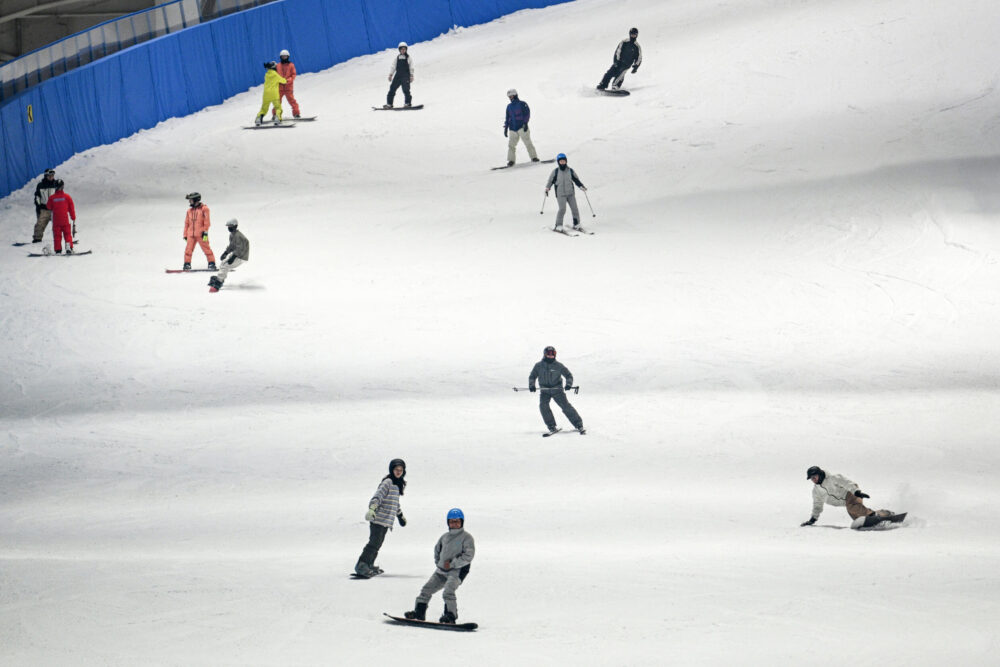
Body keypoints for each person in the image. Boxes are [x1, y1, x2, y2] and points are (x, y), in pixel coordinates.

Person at [403, 508, 475, 624]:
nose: (454, 524)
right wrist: (439, 563)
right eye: (452, 521)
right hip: (441, 571)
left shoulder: (467, 538)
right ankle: (419, 613)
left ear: (462, 522)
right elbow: (437, 551)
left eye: (457, 521)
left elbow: (468, 556)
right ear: (448, 523)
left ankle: (450, 615)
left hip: (456, 572)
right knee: (426, 590)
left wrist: (452, 564)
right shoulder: (444, 537)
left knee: (448, 592)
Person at [354, 458, 408, 577]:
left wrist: (400, 516)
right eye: (396, 469)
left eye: (401, 470)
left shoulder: (397, 485)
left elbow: (395, 503)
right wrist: (372, 509)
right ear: (391, 470)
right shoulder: (387, 482)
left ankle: (369, 564)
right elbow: (377, 497)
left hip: (386, 522)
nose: (398, 472)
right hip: (378, 519)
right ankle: (361, 565)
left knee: (378, 544)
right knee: (373, 543)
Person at [801, 466, 895, 528]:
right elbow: (817, 505)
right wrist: (812, 519)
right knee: (859, 519)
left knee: (853, 507)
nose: (813, 480)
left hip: (851, 493)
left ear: (820, 474)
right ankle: (884, 513)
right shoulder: (816, 492)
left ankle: (875, 516)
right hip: (846, 502)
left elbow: (847, 483)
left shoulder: (833, 478)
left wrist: (856, 492)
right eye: (811, 478)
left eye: (814, 477)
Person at [528, 346, 585, 434]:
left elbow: (568, 375)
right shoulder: (538, 366)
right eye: (549, 354)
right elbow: (532, 376)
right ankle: (551, 426)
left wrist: (568, 384)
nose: (551, 356)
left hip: (557, 390)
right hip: (545, 391)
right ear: (545, 354)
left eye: (553, 354)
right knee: (543, 406)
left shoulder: (558, 366)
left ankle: (578, 424)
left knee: (565, 406)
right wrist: (532, 385)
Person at [545, 153, 587, 232]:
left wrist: (581, 186)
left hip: (570, 193)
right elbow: (550, 181)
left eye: (564, 161)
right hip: (560, 194)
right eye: (561, 161)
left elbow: (576, 180)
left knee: (575, 209)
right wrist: (547, 188)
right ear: (558, 162)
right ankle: (558, 225)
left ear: (566, 161)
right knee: (562, 209)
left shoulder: (570, 171)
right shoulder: (556, 171)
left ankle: (576, 224)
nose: (562, 162)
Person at [208, 219, 249, 292]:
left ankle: (219, 282)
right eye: (228, 226)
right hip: (236, 254)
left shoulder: (238, 236)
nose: (229, 228)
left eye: (230, 226)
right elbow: (231, 246)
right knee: (223, 263)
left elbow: (240, 248)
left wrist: (233, 257)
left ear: (235, 226)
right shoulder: (232, 235)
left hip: (241, 256)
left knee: (226, 265)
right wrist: (226, 252)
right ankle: (220, 278)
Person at [503, 88, 539, 166]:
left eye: (511, 96)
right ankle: (511, 161)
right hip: (512, 128)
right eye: (509, 97)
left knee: (528, 143)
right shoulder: (509, 106)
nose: (510, 98)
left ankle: (534, 157)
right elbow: (507, 118)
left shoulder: (522, 104)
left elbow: (527, 114)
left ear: (515, 95)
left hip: (522, 127)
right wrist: (506, 128)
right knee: (511, 145)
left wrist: (525, 123)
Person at [182, 192, 216, 270]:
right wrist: (185, 234)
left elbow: (207, 222)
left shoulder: (204, 209)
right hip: (191, 234)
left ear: (195, 199)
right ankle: (187, 264)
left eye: (191, 200)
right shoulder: (189, 211)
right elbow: (186, 223)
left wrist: (205, 232)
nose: (189, 201)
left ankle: (211, 263)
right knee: (188, 250)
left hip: (201, 234)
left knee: (206, 249)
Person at [45, 180, 75, 254]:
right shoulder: (67, 197)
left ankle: (58, 250)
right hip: (65, 219)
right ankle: (69, 246)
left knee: (57, 236)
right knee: (67, 234)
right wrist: (73, 217)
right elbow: (71, 208)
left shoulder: (52, 198)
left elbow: (48, 207)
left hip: (56, 220)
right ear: (63, 186)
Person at [270, 49, 301, 120]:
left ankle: (296, 114)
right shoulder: (278, 66)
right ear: (280, 57)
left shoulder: (291, 65)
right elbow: (274, 75)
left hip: (288, 87)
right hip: (279, 87)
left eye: (285, 56)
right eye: (283, 56)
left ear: (288, 57)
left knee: (292, 101)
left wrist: (288, 80)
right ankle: (275, 115)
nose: (284, 58)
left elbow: (293, 74)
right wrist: (272, 68)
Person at [32, 168, 60, 243]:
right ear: (45, 176)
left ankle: (60, 238)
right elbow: (37, 196)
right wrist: (38, 206)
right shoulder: (40, 185)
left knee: (59, 224)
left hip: (55, 209)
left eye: (52, 176)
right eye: (49, 176)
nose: (51, 177)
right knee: (40, 223)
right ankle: (37, 238)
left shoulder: (56, 184)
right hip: (44, 208)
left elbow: (60, 196)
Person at [255, 61, 287, 126]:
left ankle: (258, 118)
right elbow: (283, 81)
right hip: (274, 95)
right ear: (274, 67)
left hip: (266, 94)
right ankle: (277, 118)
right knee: (278, 107)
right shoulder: (275, 75)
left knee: (264, 108)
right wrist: (285, 80)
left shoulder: (266, 75)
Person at [384, 42, 414, 108]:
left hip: (405, 76)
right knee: (392, 89)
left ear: (406, 50)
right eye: (401, 49)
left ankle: (407, 103)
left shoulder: (408, 58)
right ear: (399, 50)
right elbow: (393, 66)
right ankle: (389, 104)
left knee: (406, 89)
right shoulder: (397, 58)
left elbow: (411, 67)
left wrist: (411, 75)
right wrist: (391, 74)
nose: (403, 50)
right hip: (398, 76)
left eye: (404, 49)